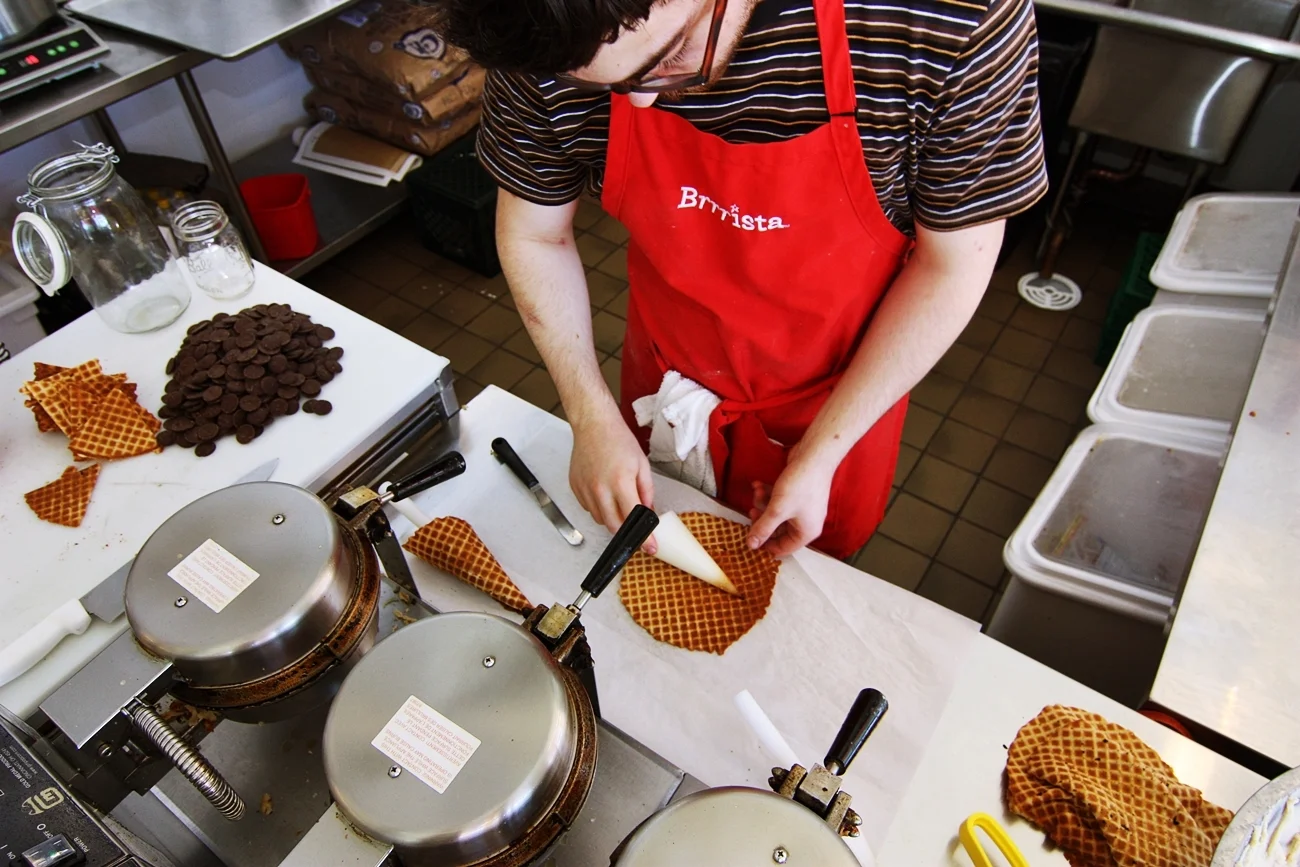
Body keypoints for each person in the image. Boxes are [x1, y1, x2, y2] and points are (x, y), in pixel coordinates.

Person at [431, 0, 1047, 559]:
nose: (640, 102)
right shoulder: (532, 30)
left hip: (844, 395)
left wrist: (823, 452)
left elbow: (952, 264)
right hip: (665, 379)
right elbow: (537, 232)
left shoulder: (950, 24)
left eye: (670, 56)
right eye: (603, 86)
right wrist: (589, 415)